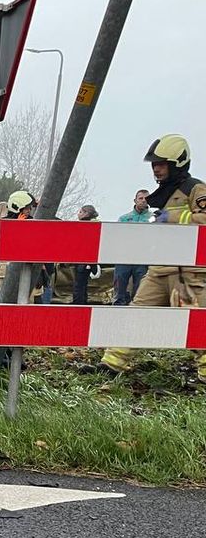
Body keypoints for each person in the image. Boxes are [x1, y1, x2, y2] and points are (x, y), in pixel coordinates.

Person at [100, 134, 206, 381]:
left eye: (161, 164)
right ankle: (112, 363)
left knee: (196, 323)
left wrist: (175, 219)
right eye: (153, 164)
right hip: (159, 270)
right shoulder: (164, 193)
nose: (156, 169)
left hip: (188, 273)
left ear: (178, 163)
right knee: (136, 314)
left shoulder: (196, 189)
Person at [113, 189, 152, 305]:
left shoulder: (153, 219)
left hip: (142, 258)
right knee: (120, 284)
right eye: (141, 198)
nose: (143, 201)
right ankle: (118, 308)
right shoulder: (124, 218)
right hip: (124, 257)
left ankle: (136, 307)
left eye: (146, 198)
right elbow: (116, 237)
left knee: (140, 287)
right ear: (135, 200)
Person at [72, 205, 101, 305]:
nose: (78, 214)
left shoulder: (85, 226)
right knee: (83, 284)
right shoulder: (97, 225)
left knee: (79, 285)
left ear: (86, 214)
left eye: (80, 212)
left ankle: (78, 304)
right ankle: (82, 302)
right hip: (88, 259)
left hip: (84, 258)